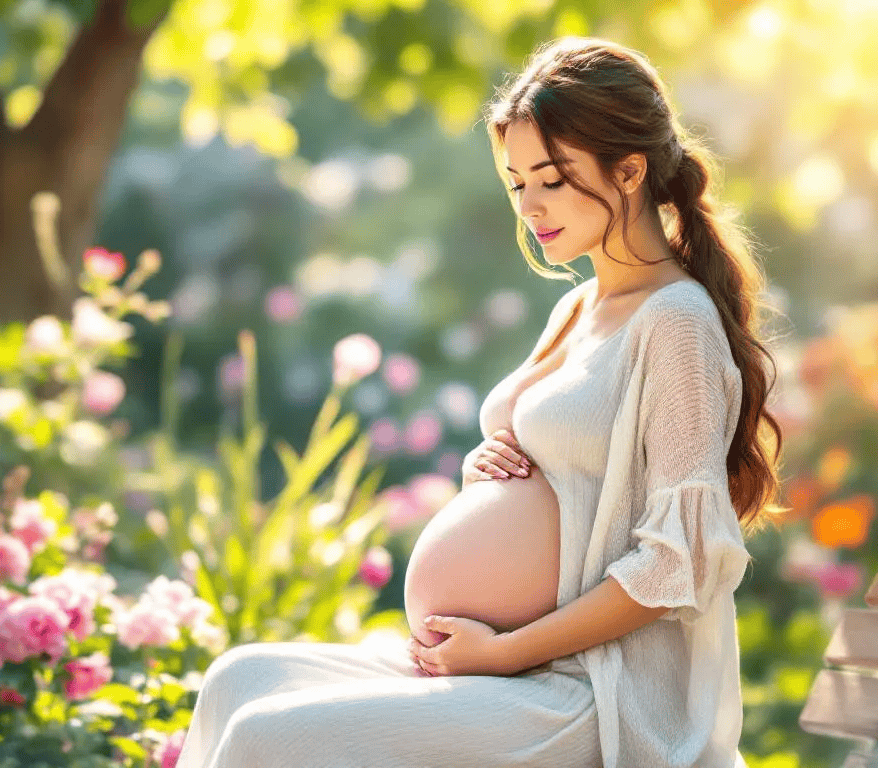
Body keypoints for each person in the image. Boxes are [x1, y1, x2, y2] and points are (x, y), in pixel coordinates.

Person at [174, 36, 787, 768]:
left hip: (593, 693)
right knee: (235, 679)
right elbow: (566, 475)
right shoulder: (581, 307)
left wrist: (504, 651)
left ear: (629, 171)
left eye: (552, 180)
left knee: (267, 738)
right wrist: (488, 469)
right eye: (516, 181)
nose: (529, 205)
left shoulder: (676, 322)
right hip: (507, 665)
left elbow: (678, 562)